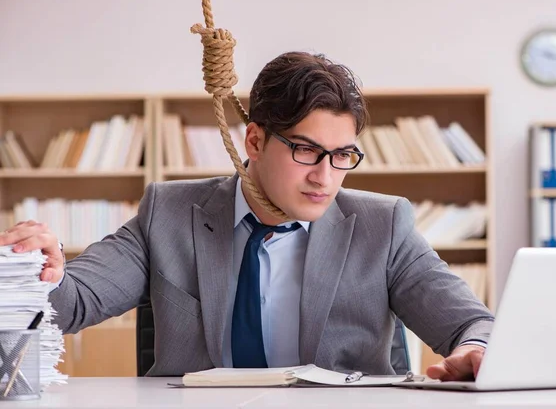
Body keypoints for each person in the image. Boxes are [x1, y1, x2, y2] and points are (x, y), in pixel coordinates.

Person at [0, 51, 493, 381]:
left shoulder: (383, 226)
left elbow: (472, 324)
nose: (325, 176)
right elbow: (72, 303)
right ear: (253, 141)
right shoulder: (169, 213)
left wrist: (477, 351)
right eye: (306, 150)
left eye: (343, 155)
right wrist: (37, 269)